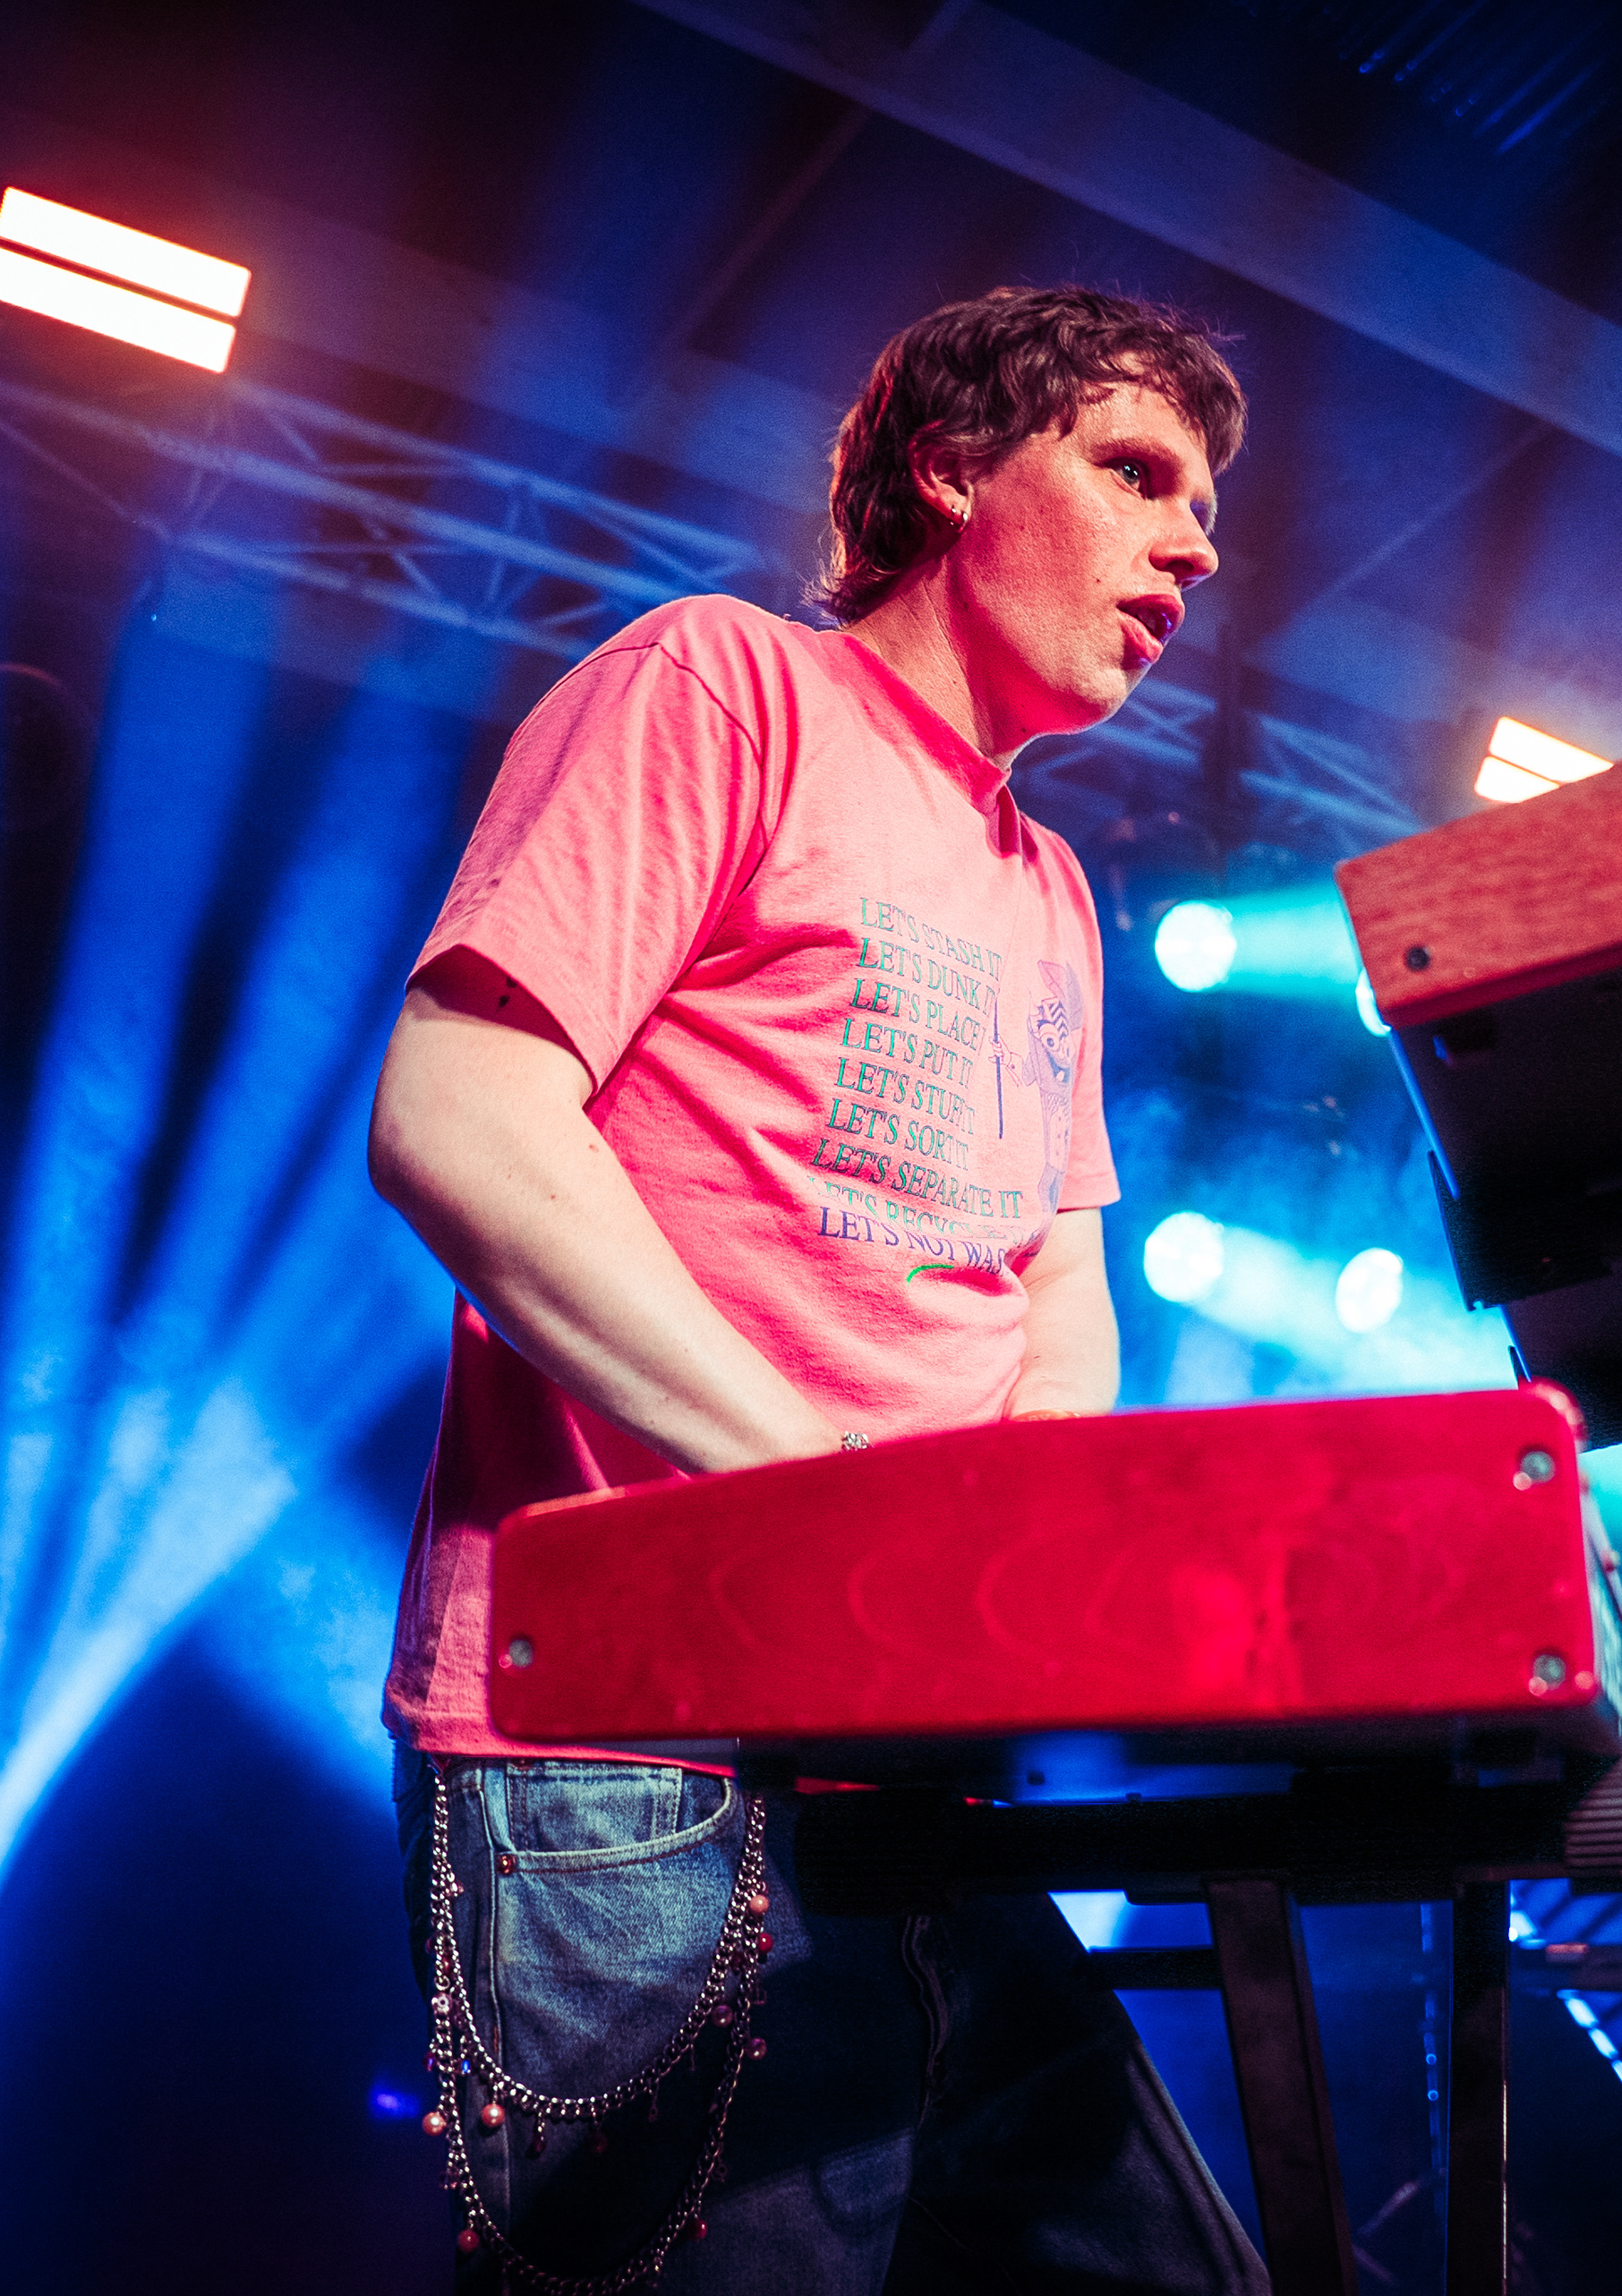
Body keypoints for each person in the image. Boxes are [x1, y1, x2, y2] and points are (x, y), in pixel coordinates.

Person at [367, 286, 1264, 2292]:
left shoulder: (1053, 888)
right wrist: (838, 1512)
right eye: (1135, 475)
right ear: (950, 471)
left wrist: (1010, 1576)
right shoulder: (724, 687)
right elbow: (456, 1114)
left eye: (1203, 509)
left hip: (909, 1758)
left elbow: (1059, 1289)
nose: (1193, 549)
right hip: (626, 1760)